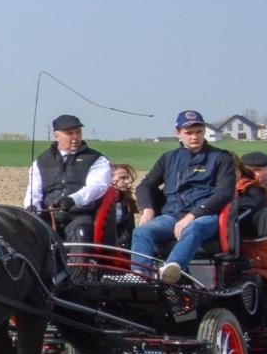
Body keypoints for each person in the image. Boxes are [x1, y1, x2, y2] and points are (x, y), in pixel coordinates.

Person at [131, 110, 237, 283]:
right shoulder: (168, 158)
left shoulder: (220, 158)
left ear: (204, 131)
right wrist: (147, 209)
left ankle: (171, 271)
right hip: (172, 215)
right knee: (142, 232)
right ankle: (141, 277)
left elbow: (224, 193)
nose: (194, 137)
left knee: (193, 229)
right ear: (178, 133)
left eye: (198, 132)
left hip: (205, 216)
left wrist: (193, 215)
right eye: (188, 133)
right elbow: (145, 185)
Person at [24, 114, 112, 243]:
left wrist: (73, 199)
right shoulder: (42, 161)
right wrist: (31, 206)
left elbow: (98, 186)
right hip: (48, 215)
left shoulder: (96, 159)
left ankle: (79, 263)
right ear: (56, 135)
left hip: (79, 214)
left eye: (78, 132)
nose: (75, 137)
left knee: (80, 233)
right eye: (70, 133)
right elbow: (33, 189)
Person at [105, 162, 139, 249]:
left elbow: (130, 230)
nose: (127, 181)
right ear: (110, 178)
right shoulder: (98, 200)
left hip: (122, 246)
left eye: (127, 178)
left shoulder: (126, 201)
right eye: (123, 178)